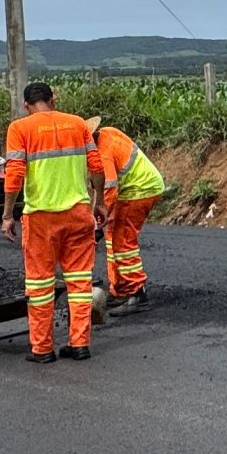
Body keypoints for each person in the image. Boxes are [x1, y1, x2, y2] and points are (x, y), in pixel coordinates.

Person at [2, 81, 109, 365]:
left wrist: (7, 214)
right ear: (53, 99)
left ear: (26, 105)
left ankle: (42, 349)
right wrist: (99, 202)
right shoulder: (77, 124)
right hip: (78, 214)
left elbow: (14, 175)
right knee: (79, 282)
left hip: (41, 217)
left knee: (40, 286)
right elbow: (96, 166)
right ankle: (80, 344)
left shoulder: (20, 128)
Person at [87, 116, 168, 313]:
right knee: (112, 236)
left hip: (140, 190)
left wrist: (97, 222)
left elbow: (109, 191)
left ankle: (137, 293)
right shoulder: (107, 132)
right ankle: (120, 290)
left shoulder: (101, 154)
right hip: (141, 185)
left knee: (123, 242)